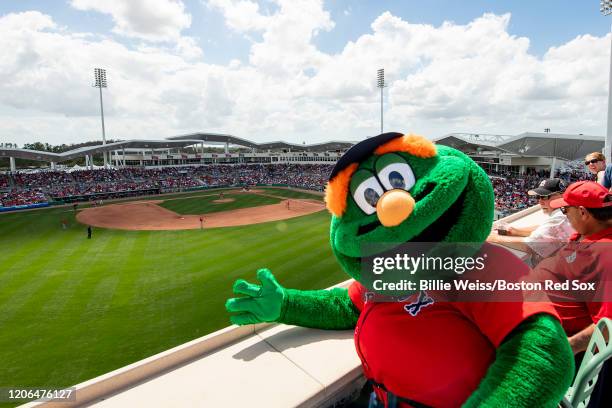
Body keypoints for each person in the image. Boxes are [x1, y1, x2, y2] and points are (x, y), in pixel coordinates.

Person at [532, 181, 612, 407]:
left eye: (566, 210)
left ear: (584, 212)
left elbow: (607, 327)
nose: (564, 215)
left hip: (551, 348)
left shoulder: (605, 256)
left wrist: (566, 347)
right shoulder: (586, 234)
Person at [488, 178, 575, 261]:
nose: (540, 201)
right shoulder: (566, 212)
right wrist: (515, 231)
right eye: (538, 197)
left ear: (562, 196)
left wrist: (493, 238)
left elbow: (530, 245)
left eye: (545, 196)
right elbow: (546, 229)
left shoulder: (560, 218)